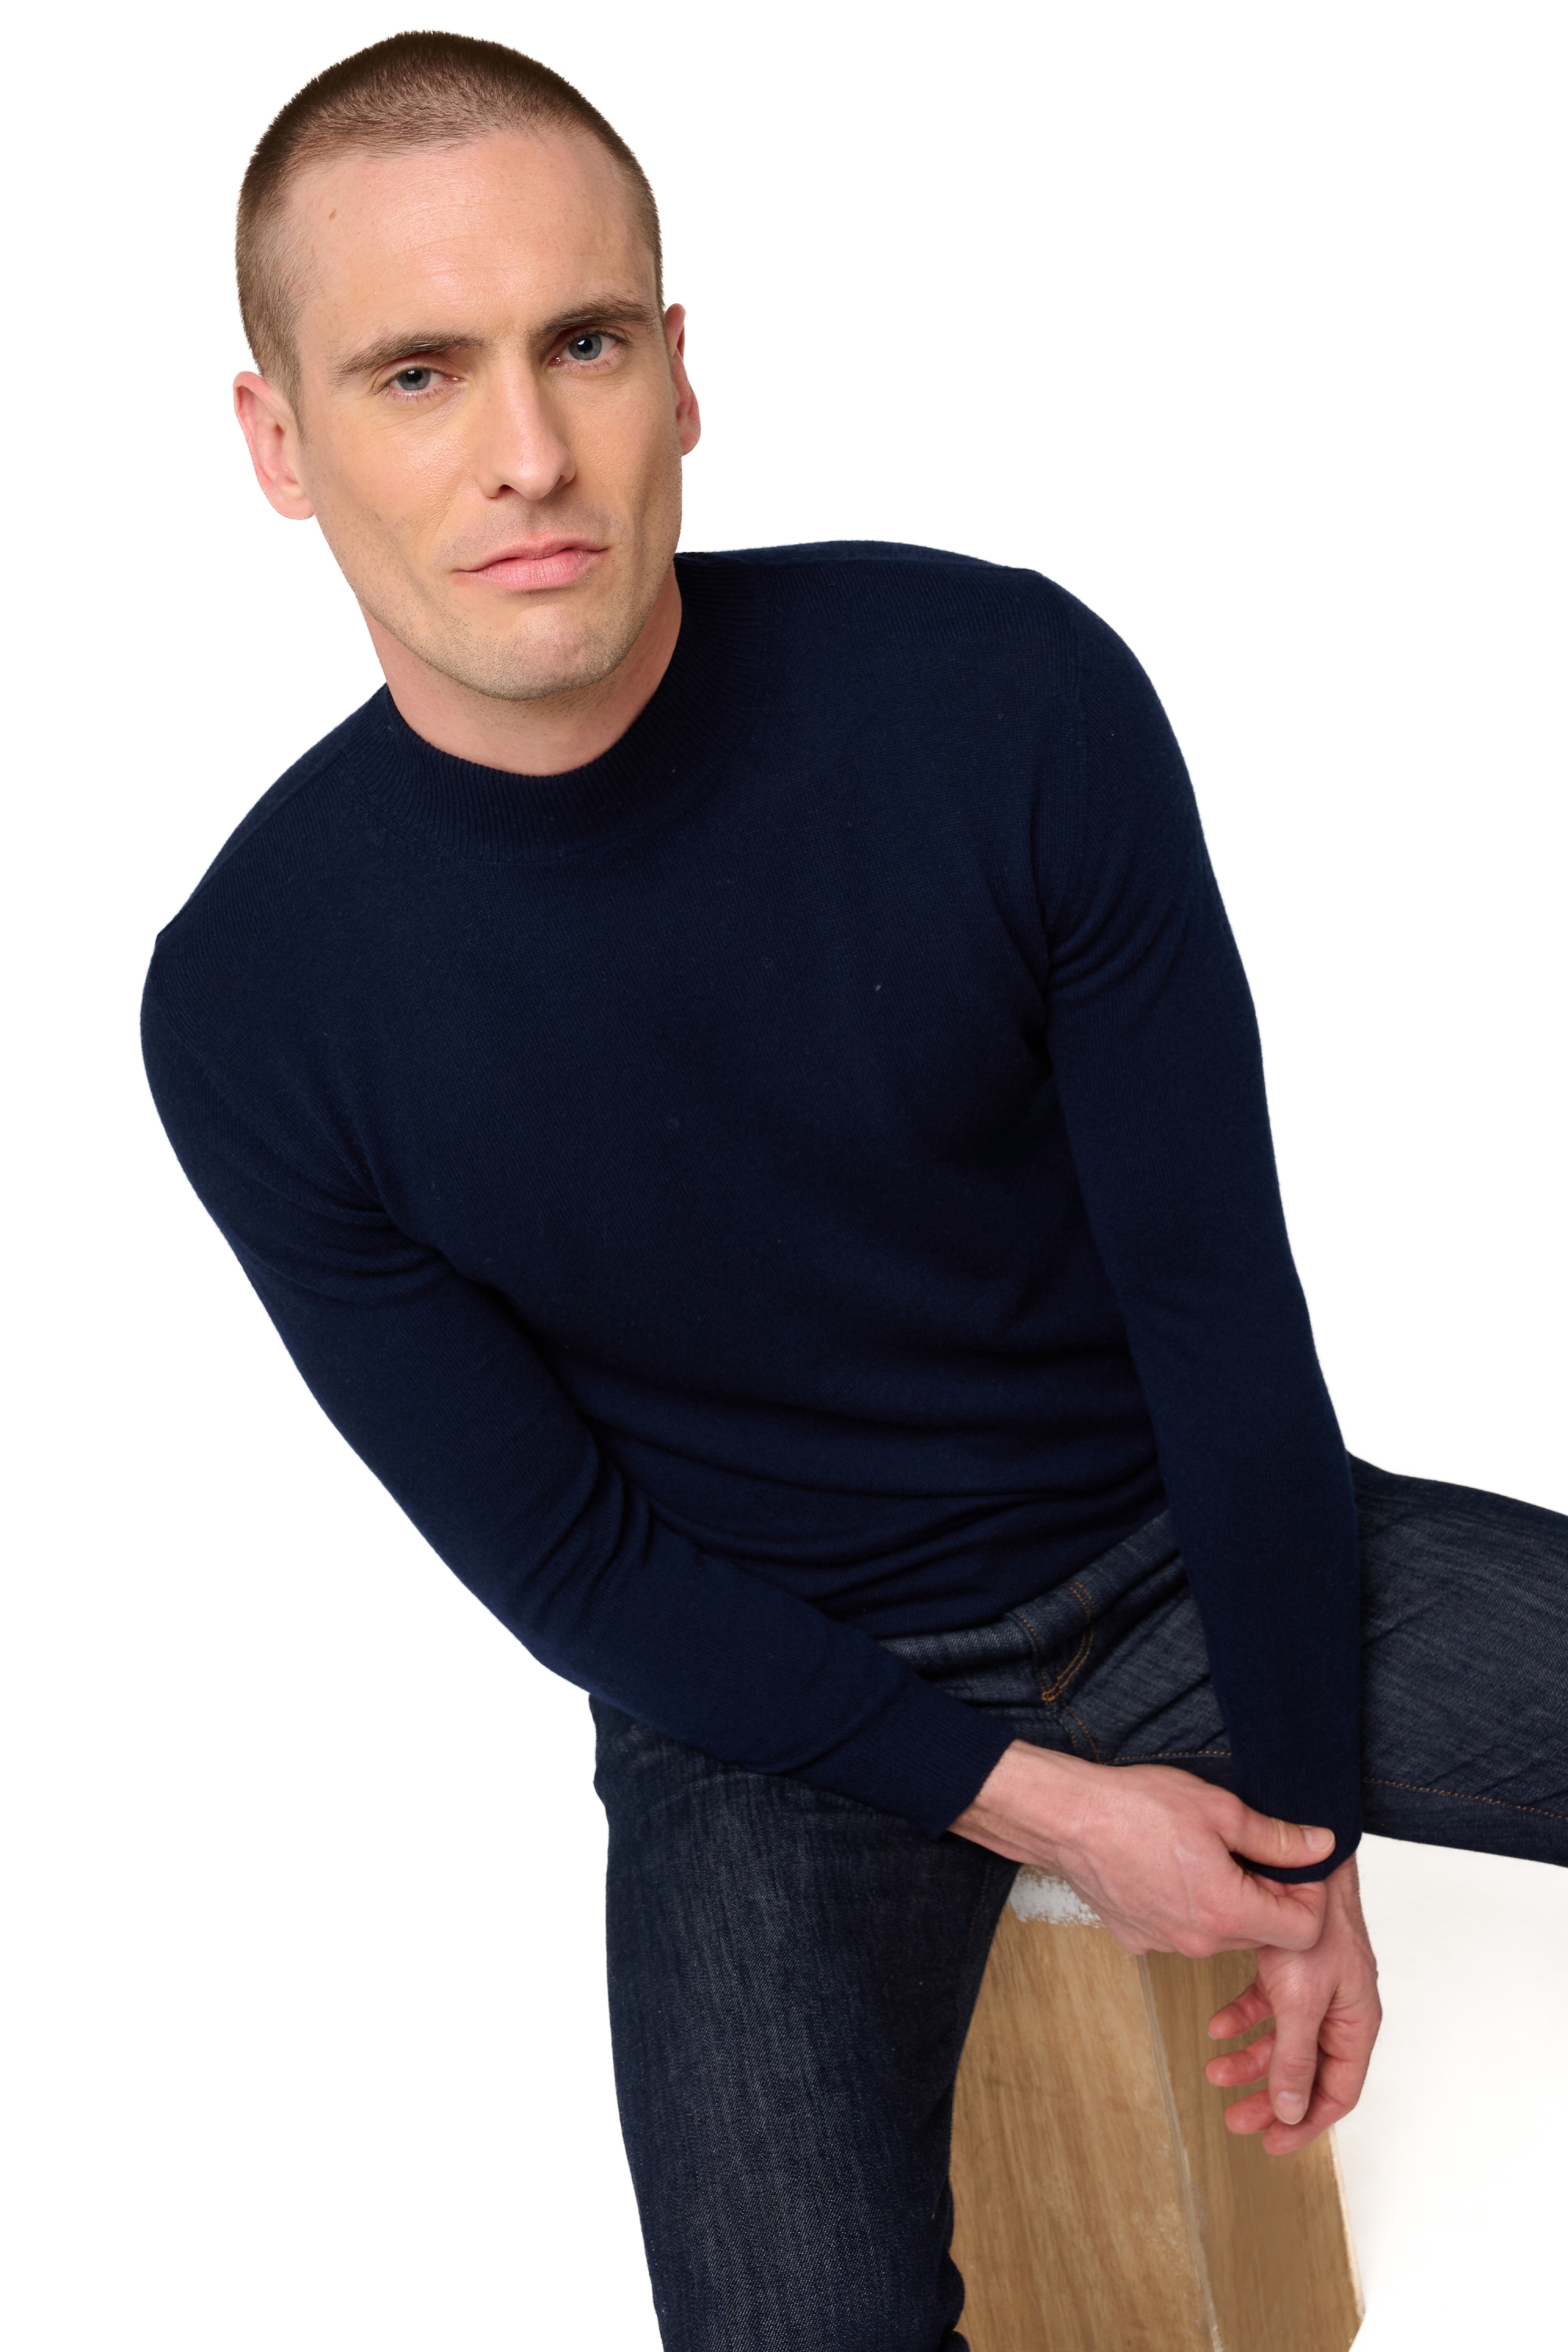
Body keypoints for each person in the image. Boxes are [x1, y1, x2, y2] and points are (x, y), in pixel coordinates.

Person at [140, 31, 1566, 2352]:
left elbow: (1215, 1302)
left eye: (583, 342)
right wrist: (1047, 1807)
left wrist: (1300, 1839)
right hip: (768, 1704)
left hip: (1180, 1542)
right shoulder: (253, 1003)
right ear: (278, 443)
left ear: (679, 373)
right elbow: (575, 1566)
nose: (527, 451)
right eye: (416, 372)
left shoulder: (1004, 697)